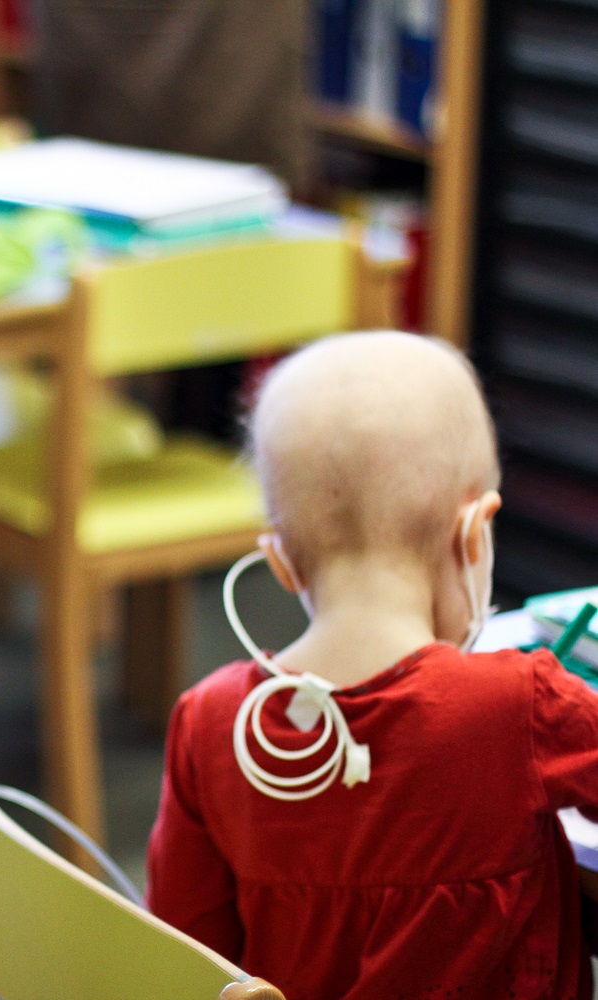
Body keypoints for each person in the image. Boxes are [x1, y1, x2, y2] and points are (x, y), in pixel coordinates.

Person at [146, 331, 598, 1000]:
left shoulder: (212, 724)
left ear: (280, 562)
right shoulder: (522, 706)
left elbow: (184, 959)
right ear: (473, 534)